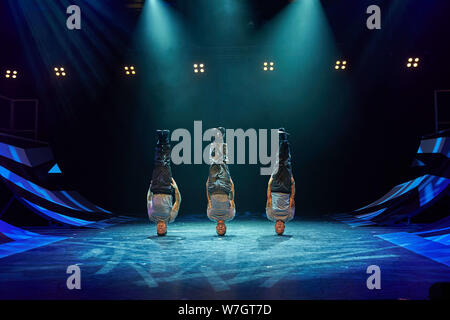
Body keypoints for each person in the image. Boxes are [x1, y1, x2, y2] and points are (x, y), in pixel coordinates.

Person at [147, 129, 181, 236]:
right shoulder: (170, 218)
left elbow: (148, 200)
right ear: (166, 228)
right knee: (165, 163)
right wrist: (176, 188)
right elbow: (178, 201)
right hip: (166, 188)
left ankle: (159, 139)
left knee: (158, 163)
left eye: (158, 230)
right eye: (162, 230)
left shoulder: (152, 217)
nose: (160, 228)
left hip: (156, 188)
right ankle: (165, 138)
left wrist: (150, 187)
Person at [206, 127, 236, 236]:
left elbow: (208, 202)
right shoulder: (230, 216)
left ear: (216, 228)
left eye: (219, 229)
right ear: (225, 228)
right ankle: (221, 137)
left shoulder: (211, 216)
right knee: (222, 160)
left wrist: (208, 184)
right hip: (224, 187)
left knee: (215, 160)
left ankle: (218, 138)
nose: (220, 228)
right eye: (222, 229)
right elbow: (232, 201)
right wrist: (230, 183)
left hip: (213, 186)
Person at [266, 128, 295, 235]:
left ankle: (281, 138)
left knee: (278, 161)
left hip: (275, 187)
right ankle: (285, 140)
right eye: (281, 228)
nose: (279, 226)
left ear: (275, 227)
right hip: (286, 188)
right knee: (286, 162)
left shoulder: (270, 216)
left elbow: (268, 197)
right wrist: (292, 182)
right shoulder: (289, 217)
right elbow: (292, 198)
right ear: (284, 227)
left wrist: (270, 181)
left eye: (277, 228)